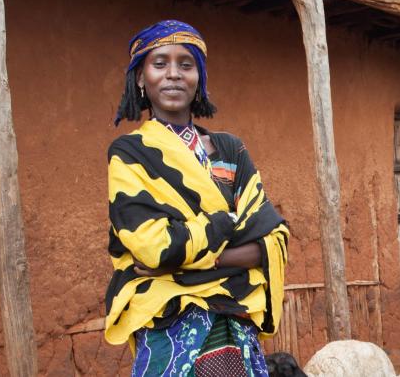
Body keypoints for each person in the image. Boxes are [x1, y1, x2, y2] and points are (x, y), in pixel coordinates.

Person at [104, 20, 289, 377]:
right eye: (160, 64)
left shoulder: (230, 150)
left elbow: (274, 239)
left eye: (185, 65)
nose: (173, 74)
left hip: (234, 319)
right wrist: (228, 224)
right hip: (167, 320)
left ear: (199, 78)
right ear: (141, 78)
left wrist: (189, 261)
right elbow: (154, 248)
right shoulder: (129, 153)